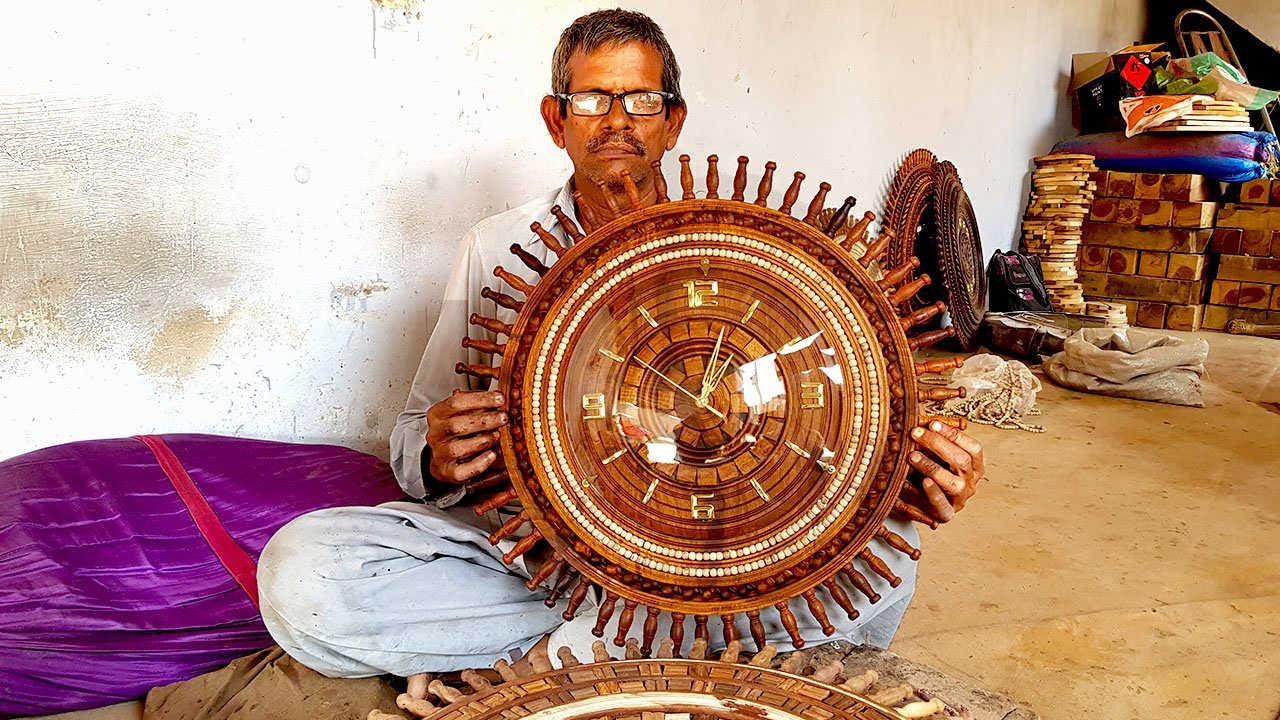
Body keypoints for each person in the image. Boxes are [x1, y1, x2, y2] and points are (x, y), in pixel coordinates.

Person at [257, 8, 984, 679]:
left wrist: (907, 470)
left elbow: (836, 410)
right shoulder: (495, 248)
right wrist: (435, 452)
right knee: (303, 576)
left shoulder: (753, 244)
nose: (616, 121)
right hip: (548, 557)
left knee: (893, 555)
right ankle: (655, 645)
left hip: (721, 553)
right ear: (555, 119)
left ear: (673, 122)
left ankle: (596, 647)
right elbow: (415, 435)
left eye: (640, 100)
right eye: (591, 99)